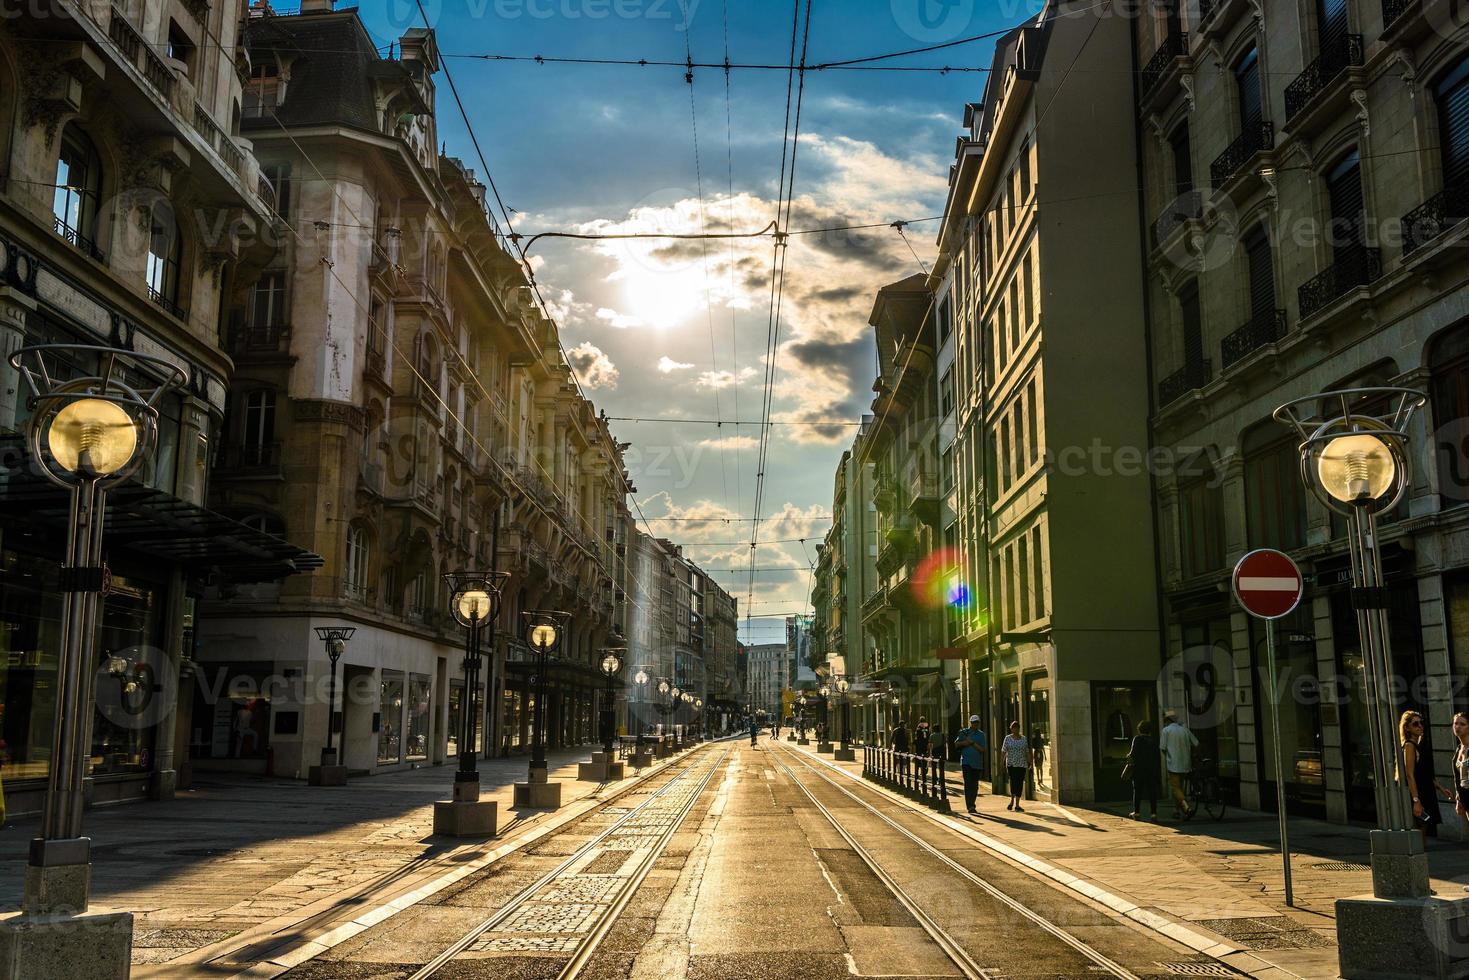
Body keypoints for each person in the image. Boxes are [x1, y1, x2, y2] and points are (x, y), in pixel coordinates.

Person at [1401, 710, 1452, 840]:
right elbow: (1409, 775)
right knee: (1420, 826)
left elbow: (1425, 773)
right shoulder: (1409, 746)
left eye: (1421, 723)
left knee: (1424, 825)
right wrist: (1416, 801)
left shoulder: (1419, 745)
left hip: (1426, 791)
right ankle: (1418, 856)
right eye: (1415, 724)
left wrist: (1441, 789)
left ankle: (1421, 854)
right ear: (1407, 728)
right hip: (1419, 794)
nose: (1420, 726)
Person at [1159, 710, 1199, 819]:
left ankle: (1186, 808)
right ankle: (1176, 810)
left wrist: (1169, 756)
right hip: (1186, 763)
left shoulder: (1166, 730)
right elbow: (1196, 743)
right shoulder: (1184, 730)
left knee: (1176, 787)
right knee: (1180, 788)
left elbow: (1163, 748)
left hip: (1173, 764)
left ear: (1167, 720)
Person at [1127, 719, 1161, 821]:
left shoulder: (1137, 739)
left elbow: (1132, 754)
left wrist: (1128, 756)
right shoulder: (1154, 740)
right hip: (1151, 770)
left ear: (1139, 729)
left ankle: (1136, 813)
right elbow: (1157, 757)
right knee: (1152, 792)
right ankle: (1153, 814)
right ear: (1149, 730)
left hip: (1139, 770)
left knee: (1137, 791)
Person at [954, 714, 988, 814]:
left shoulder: (981, 735)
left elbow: (982, 749)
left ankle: (972, 803)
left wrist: (972, 743)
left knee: (975, 785)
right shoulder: (964, 732)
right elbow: (956, 744)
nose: (975, 724)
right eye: (974, 722)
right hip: (966, 762)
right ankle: (970, 806)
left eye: (977, 722)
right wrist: (966, 743)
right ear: (970, 723)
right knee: (968, 783)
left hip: (977, 763)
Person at [1001, 721, 1029, 812]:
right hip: (1011, 764)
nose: (1016, 729)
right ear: (1011, 728)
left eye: (1017, 727)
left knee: (1020, 783)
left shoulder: (1024, 739)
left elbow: (1026, 751)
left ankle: (1017, 804)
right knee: (1013, 782)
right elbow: (1004, 751)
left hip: (1022, 764)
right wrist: (1002, 762)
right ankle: (1012, 801)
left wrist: (1030, 762)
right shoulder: (1007, 738)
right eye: (1014, 727)